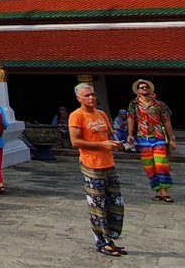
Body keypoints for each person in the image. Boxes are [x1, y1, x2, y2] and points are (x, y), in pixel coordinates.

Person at [69, 82, 127, 257]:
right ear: (79, 98)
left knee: (115, 203)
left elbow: (110, 135)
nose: (91, 98)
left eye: (93, 94)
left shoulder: (101, 114)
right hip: (91, 164)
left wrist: (117, 144)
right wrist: (100, 144)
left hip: (108, 163)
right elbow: (75, 142)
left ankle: (110, 238)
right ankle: (101, 241)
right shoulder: (76, 116)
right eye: (87, 95)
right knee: (97, 205)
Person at [126, 78, 176, 202]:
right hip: (143, 137)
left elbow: (166, 120)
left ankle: (165, 191)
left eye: (146, 87)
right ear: (137, 90)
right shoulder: (134, 104)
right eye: (142, 87)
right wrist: (130, 134)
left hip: (158, 135)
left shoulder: (159, 104)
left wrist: (171, 138)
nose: (144, 89)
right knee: (149, 165)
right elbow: (131, 119)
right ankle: (158, 190)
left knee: (161, 163)